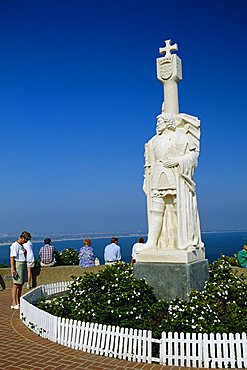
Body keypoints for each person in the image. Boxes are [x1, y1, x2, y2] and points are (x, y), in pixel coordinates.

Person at [140, 112, 204, 252]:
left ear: (168, 122)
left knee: (179, 206)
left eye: (159, 122)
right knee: (156, 208)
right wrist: (146, 179)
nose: (157, 125)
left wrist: (178, 161)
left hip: (175, 175)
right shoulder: (152, 141)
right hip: (157, 175)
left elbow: (193, 156)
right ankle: (152, 242)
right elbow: (148, 164)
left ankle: (183, 239)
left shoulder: (181, 137)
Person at [10, 231, 31, 309]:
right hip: (18, 265)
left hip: (22, 264)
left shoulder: (21, 246)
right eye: (26, 240)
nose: (26, 242)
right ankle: (14, 302)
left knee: (20, 284)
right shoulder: (15, 245)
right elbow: (12, 258)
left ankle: (18, 301)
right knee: (16, 284)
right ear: (22, 238)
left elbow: (23, 255)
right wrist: (13, 270)